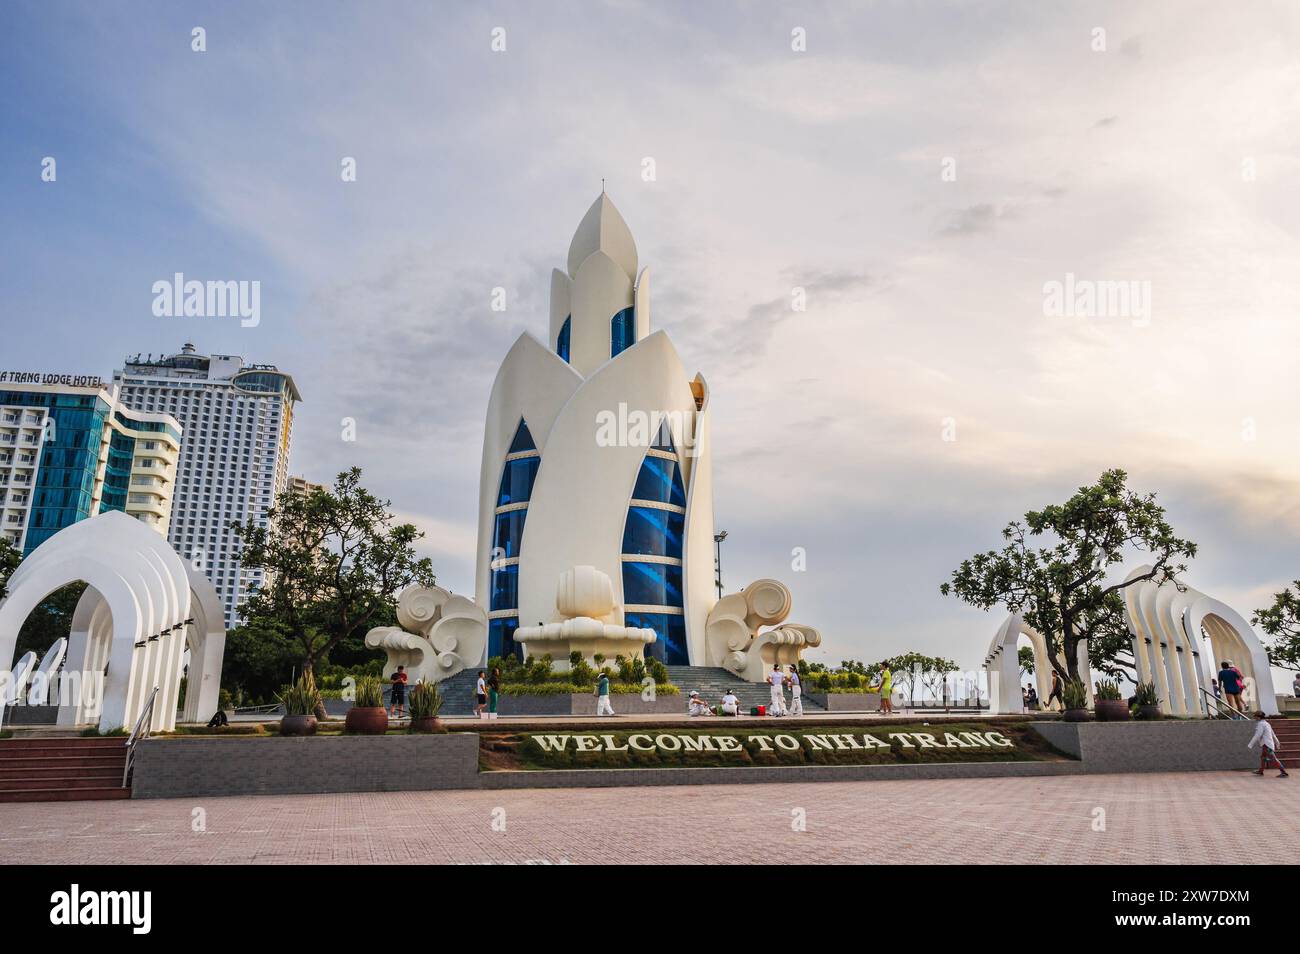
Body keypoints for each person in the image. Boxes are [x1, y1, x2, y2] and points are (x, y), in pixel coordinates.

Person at [1247, 711, 1289, 778]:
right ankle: (1261, 771)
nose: (1254, 717)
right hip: (1267, 744)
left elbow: (1258, 734)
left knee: (1273, 758)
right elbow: (1273, 734)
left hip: (1266, 745)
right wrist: (1277, 742)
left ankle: (1283, 772)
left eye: (1255, 716)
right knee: (1263, 757)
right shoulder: (1266, 723)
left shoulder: (1261, 724)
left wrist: (1250, 744)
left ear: (1258, 717)